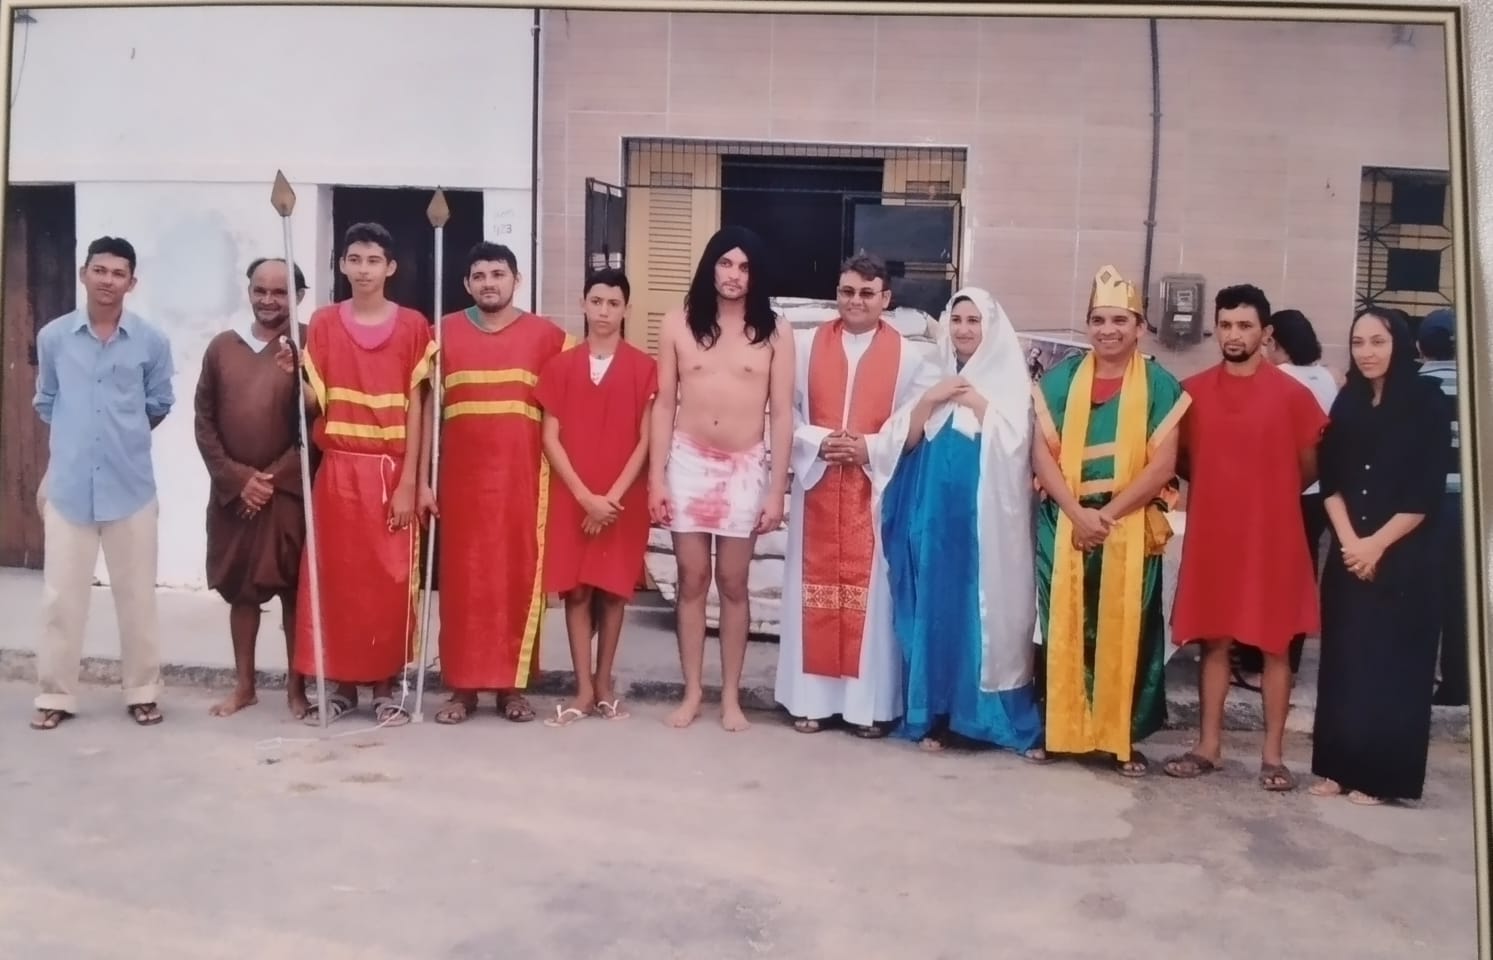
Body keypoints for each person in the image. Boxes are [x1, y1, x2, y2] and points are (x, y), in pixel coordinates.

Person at [1166, 283, 1328, 790]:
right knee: (1213, 640)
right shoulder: (1190, 393)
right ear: (1215, 327)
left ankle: (1273, 757)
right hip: (1213, 535)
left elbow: (1309, 465)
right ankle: (1207, 747)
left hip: (1273, 536)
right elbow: (1182, 460)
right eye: (1226, 325)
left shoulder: (1293, 395)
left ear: (1266, 332)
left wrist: (1267, 496)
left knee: (1276, 644)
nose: (1234, 334)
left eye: (1245, 325)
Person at [1031, 265, 1189, 776]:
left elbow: (1163, 465)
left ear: (1139, 327)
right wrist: (1077, 513)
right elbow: (1041, 456)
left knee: (1129, 628)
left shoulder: (1160, 385)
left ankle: (1120, 737)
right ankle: (1062, 730)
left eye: (1120, 320)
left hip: (1128, 522)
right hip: (1066, 521)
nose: (1108, 330)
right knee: (1063, 626)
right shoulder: (1059, 381)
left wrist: (1107, 515)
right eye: (1098, 320)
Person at [774, 253, 941, 738]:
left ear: (886, 298)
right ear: (837, 294)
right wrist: (816, 440)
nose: (856, 301)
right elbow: (784, 407)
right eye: (847, 292)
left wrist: (868, 447)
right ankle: (810, 701)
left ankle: (867, 710)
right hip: (818, 483)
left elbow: (914, 420)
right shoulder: (805, 346)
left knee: (873, 601)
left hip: (874, 493)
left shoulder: (910, 357)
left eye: (867, 293)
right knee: (811, 593)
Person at [279, 222, 434, 727]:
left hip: (390, 470)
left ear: (390, 267)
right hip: (340, 470)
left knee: (389, 581)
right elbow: (314, 401)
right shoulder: (324, 324)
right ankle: (343, 684)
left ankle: (386, 684)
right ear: (342, 265)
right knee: (338, 579)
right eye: (354, 259)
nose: (363, 270)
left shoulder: (413, 326)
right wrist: (294, 376)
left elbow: (419, 408)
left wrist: (411, 482)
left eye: (373, 260)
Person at [880, 286, 1045, 757]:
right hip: (935, 521)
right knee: (937, 607)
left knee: (984, 613)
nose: (964, 330)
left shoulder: (1009, 381)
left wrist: (979, 404)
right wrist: (931, 400)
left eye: (974, 321)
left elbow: (1022, 446)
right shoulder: (932, 372)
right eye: (957, 320)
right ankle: (937, 712)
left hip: (986, 527)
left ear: (990, 328)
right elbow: (903, 440)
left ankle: (984, 718)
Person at [649, 225, 793, 732]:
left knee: (733, 581)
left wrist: (776, 488)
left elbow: (782, 413)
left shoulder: (776, 331)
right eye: (726, 263)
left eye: (745, 266)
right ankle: (692, 692)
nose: (734, 275)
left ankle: (731, 697)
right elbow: (663, 404)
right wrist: (656, 479)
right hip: (687, 463)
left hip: (745, 467)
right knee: (691, 579)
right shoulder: (677, 323)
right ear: (710, 265)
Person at [29, 236, 176, 730]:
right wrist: (75, 445)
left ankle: (143, 691)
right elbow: (47, 400)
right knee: (61, 599)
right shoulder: (54, 337)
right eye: (100, 270)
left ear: (132, 283)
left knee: (137, 598)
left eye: (118, 273)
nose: (108, 280)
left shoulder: (151, 342)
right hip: (69, 488)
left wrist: (120, 438)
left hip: (130, 487)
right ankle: (55, 695)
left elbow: (158, 403)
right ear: (83, 274)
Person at [423, 242, 571, 726]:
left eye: (498, 273)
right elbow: (421, 410)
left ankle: (513, 687)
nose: (489, 282)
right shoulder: (440, 335)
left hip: (522, 482)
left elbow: (575, 406)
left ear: (516, 280)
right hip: (461, 485)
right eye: (480, 275)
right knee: (463, 585)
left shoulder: (549, 338)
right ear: (467, 283)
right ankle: (462, 688)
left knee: (516, 578)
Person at [1310, 308, 1451, 804]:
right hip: (1350, 553)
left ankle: (1380, 776)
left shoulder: (1428, 402)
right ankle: (1337, 767)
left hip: (1405, 555)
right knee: (1345, 661)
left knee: (1392, 666)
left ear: (1401, 345)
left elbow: (1426, 489)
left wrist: (1376, 545)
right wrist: (1351, 542)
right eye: (1358, 342)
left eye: (1378, 342)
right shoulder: (1347, 401)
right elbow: (1330, 480)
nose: (1367, 352)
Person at [535, 269, 658, 726]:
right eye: (596, 302)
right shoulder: (560, 366)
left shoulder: (644, 368)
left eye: (613, 303)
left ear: (626, 309)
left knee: (613, 590)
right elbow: (549, 437)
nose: (604, 311)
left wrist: (610, 500)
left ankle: (605, 684)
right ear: (583, 304)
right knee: (577, 590)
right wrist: (586, 497)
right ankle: (583, 688)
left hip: (622, 498)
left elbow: (646, 441)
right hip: (574, 493)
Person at [194, 257, 310, 718]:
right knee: (241, 591)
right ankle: (244, 686)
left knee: (293, 591)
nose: (268, 300)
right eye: (260, 290)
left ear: (299, 297)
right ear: (248, 292)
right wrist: (240, 479)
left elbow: (319, 423)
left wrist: (272, 480)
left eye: (280, 292)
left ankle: (297, 690)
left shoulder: (309, 347)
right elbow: (204, 421)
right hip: (234, 495)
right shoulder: (223, 348)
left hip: (288, 494)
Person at [1229, 308, 1341, 686]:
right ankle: (1289, 659)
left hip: (1277, 493)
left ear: (1274, 341)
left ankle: (1254, 656)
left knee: (1262, 576)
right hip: (1315, 494)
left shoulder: (1278, 379)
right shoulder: (1327, 377)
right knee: (1300, 574)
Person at [1416, 308, 1467, 707]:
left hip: (1424, 506)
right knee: (1460, 597)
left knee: (1420, 594)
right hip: (1469, 507)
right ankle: (1457, 683)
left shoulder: (1413, 388)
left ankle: (1414, 678)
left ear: (1420, 346)